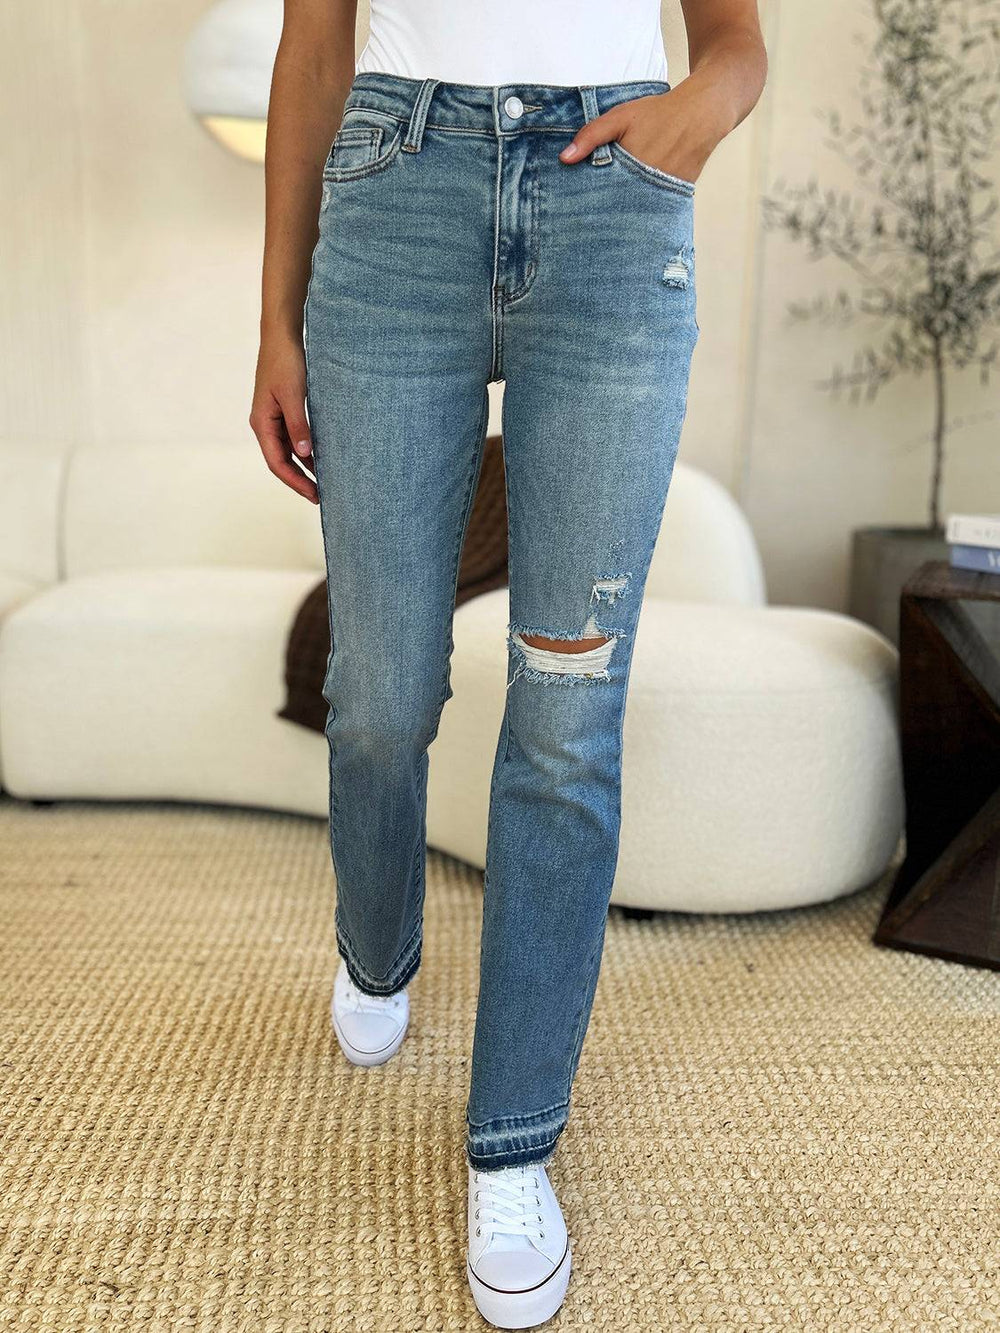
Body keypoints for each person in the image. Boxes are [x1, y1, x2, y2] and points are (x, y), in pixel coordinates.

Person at [250, 0, 766, 1325]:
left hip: (609, 203)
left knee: (566, 708)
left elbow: (737, 41)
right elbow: (314, 47)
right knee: (375, 693)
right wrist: (275, 323)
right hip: (393, 190)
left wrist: (691, 121)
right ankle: (378, 954)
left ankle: (514, 1143)